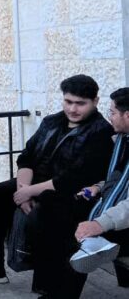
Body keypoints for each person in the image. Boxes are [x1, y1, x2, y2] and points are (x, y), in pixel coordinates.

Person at [0, 74, 113, 298]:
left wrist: (28, 192)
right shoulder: (52, 121)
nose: (73, 109)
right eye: (68, 101)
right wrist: (23, 190)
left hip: (71, 193)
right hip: (33, 182)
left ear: (95, 102)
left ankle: (51, 287)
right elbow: (27, 157)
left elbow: (74, 177)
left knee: (50, 211)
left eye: (80, 103)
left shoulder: (101, 131)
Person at [75, 87, 129, 289]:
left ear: (127, 115)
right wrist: (98, 187)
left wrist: (99, 224)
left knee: (71, 234)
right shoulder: (122, 141)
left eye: (112, 112)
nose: (110, 118)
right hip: (119, 210)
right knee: (62, 210)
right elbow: (120, 178)